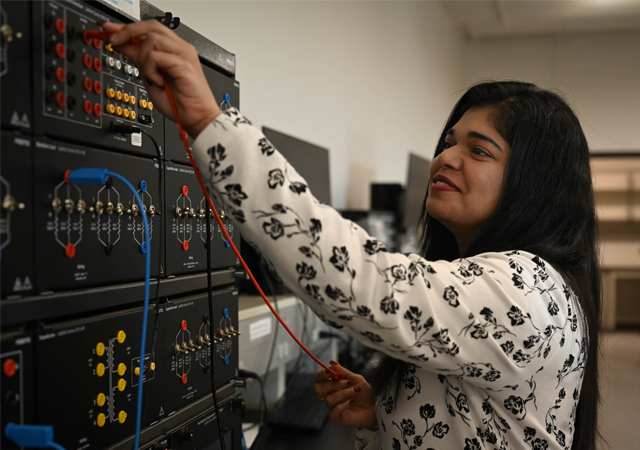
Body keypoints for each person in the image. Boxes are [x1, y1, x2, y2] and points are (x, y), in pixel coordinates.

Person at [103, 20, 601, 450]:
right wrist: (389, 411)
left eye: (479, 151)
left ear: (533, 185)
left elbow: (360, 281)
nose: (445, 157)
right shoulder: (532, 284)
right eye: (450, 142)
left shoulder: (524, 287)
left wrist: (209, 122)